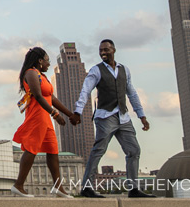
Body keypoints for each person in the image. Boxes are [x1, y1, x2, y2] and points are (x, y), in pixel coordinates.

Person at [69, 39, 154, 198]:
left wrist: (141, 115)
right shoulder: (96, 70)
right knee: (98, 151)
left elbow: (132, 93)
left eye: (106, 50)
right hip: (105, 117)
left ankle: (133, 189)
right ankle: (87, 188)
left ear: (113, 50)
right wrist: (77, 112)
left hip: (123, 116)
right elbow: (85, 91)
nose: (103, 53)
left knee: (134, 150)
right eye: (101, 50)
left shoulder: (124, 70)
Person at [11, 47, 76, 198]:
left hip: (45, 118)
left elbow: (51, 98)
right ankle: (18, 185)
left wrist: (70, 114)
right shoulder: (31, 73)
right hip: (37, 117)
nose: (48, 63)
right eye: (47, 60)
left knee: (53, 151)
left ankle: (58, 187)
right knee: (31, 149)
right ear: (40, 61)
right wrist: (54, 113)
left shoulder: (42, 76)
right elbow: (39, 97)